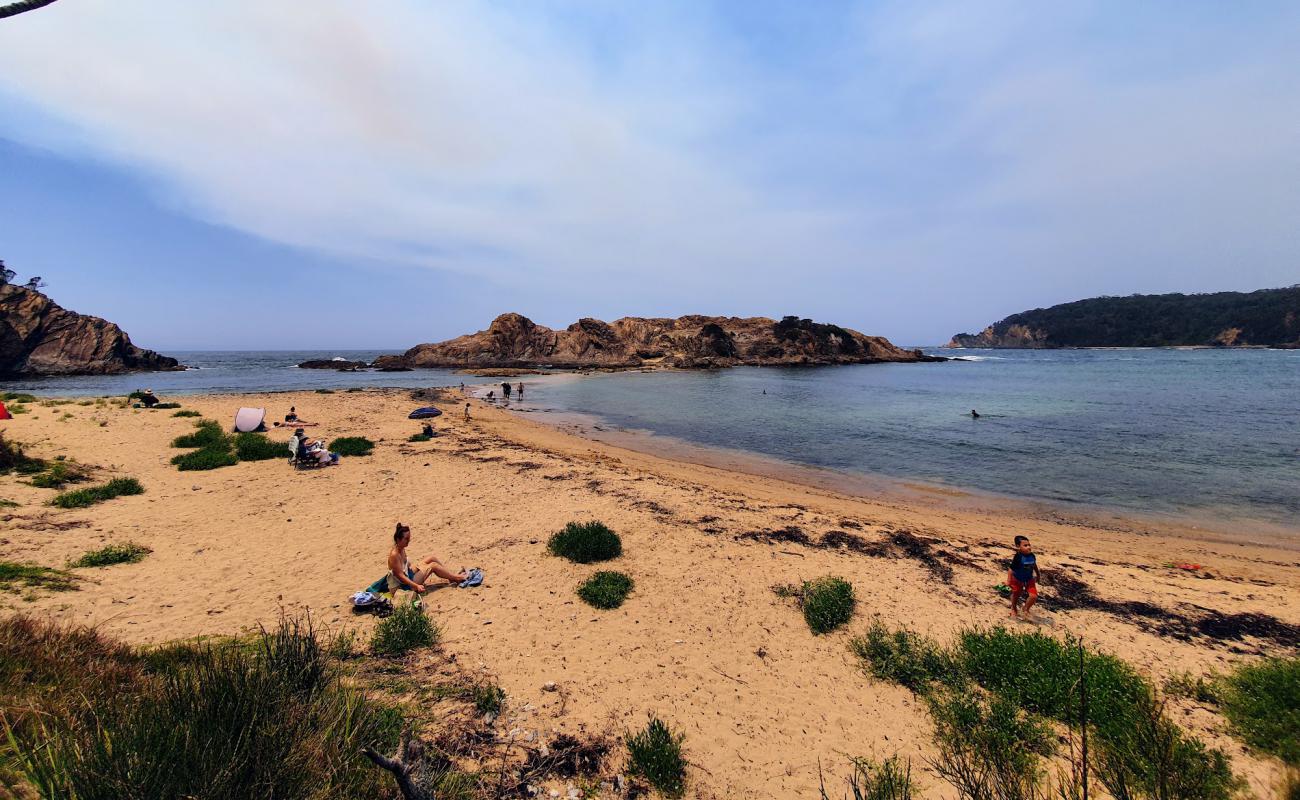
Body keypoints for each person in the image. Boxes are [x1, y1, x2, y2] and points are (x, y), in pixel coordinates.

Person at [388, 523, 468, 596]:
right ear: (398, 539)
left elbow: (404, 568)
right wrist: (416, 586)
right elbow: (401, 576)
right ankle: (456, 578)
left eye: (409, 538)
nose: (409, 541)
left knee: (431, 558)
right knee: (433, 566)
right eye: (406, 539)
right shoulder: (394, 555)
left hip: (408, 574)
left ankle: (451, 577)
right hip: (403, 586)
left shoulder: (401, 548)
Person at [1007, 535, 1040, 620]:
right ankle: (1013, 608)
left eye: (1029, 545)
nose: (1028, 547)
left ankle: (1026, 609)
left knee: (1033, 596)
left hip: (1029, 579)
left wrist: (1038, 574)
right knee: (1016, 593)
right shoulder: (1018, 557)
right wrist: (1009, 580)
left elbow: (1034, 565)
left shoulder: (1032, 555)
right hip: (1017, 579)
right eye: (1025, 546)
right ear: (1018, 546)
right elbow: (1011, 569)